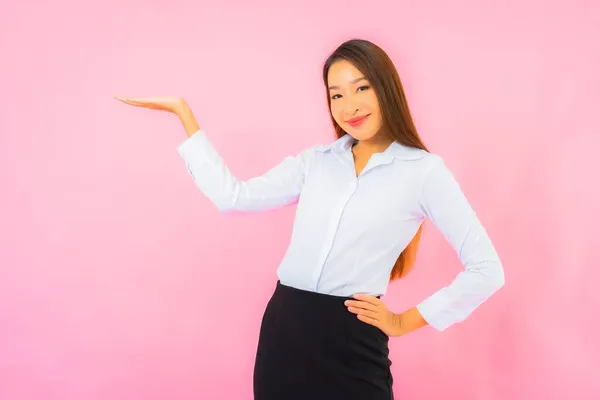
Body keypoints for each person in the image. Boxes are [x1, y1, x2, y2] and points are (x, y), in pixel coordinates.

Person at [115, 38, 504, 400]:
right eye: (337, 94)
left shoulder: (424, 172)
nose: (349, 105)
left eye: (361, 88)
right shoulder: (315, 163)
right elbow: (233, 198)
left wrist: (405, 321)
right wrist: (184, 115)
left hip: (352, 342)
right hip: (285, 332)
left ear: (387, 88)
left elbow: (487, 269)